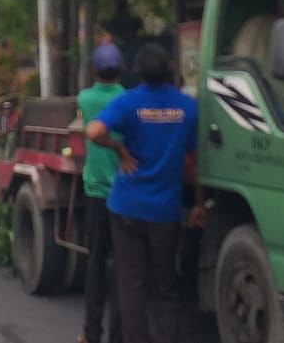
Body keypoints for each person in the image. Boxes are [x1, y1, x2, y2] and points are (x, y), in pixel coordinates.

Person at [85, 44, 203, 343]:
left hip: (126, 207)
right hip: (165, 210)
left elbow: (94, 131)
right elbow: (194, 163)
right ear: (170, 70)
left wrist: (120, 150)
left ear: (137, 72)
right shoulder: (187, 107)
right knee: (165, 285)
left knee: (131, 285)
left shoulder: (129, 102)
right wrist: (201, 202)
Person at [76, 43, 128, 343]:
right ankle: (119, 335)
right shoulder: (127, 99)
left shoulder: (84, 98)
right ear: (121, 69)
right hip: (123, 194)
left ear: (95, 70)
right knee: (123, 267)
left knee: (95, 262)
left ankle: (91, 332)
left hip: (95, 193)